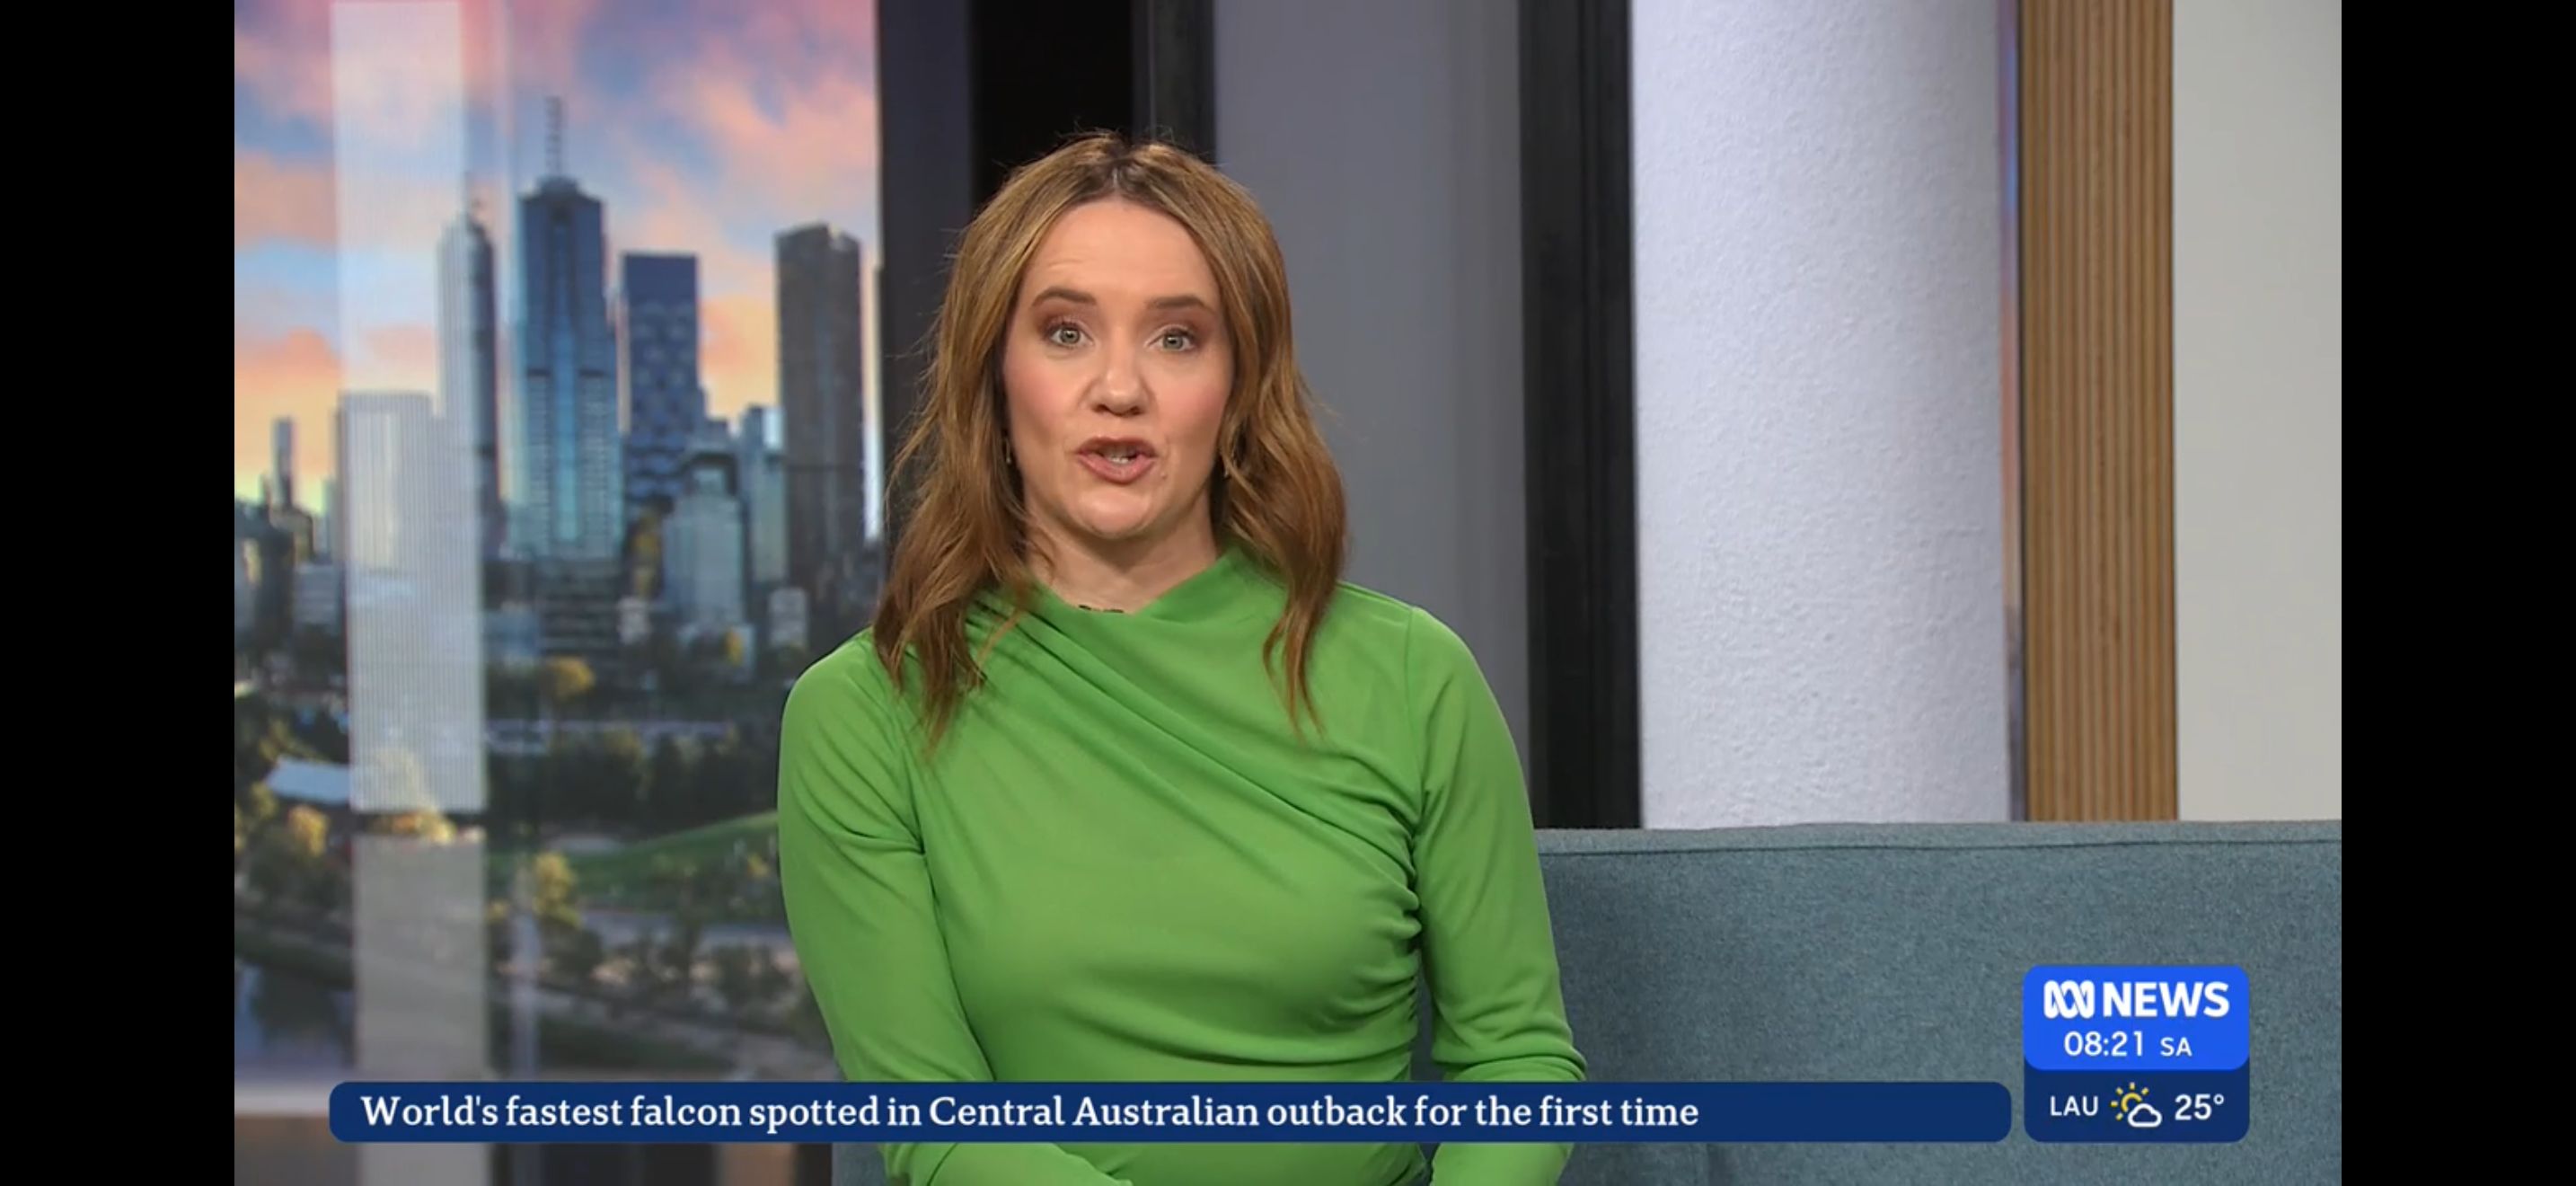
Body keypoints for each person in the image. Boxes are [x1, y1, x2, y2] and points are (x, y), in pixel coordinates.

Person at [778, 131, 1585, 1186]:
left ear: (1239, 384)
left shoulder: (1412, 677)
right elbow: (942, 1130)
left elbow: (1518, 1064)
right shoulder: (867, 711)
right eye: (1065, 332)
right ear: (995, 373)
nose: (1119, 388)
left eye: (1176, 338)